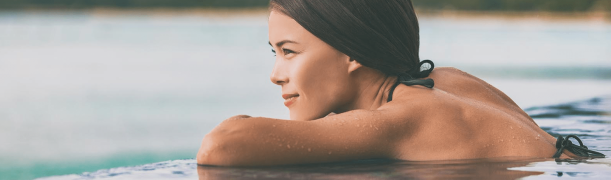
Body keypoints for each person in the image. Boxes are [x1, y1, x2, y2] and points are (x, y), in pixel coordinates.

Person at [196, 0, 602, 166]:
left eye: (289, 51)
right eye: (275, 54)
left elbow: (221, 145)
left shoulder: (400, 120)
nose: (275, 74)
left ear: (351, 52)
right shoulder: (446, 81)